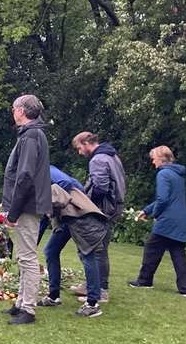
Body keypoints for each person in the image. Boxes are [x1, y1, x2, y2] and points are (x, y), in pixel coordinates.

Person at [1, 94, 51, 325]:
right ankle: (21, 303)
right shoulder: (30, 135)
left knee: (28, 257)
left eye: (14, 108)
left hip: (27, 206)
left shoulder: (31, 136)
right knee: (22, 256)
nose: (13, 112)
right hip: (27, 205)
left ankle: (28, 309)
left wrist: (13, 211)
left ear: (22, 111)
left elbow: (25, 175)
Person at [127, 146, 186, 297]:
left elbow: (162, 199)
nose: (152, 162)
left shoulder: (163, 174)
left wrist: (154, 214)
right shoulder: (177, 175)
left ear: (161, 159)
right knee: (178, 253)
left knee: (151, 248)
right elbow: (167, 199)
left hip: (167, 221)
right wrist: (146, 210)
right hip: (180, 220)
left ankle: (144, 281)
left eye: (153, 158)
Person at [70, 132, 126, 303]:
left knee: (97, 249)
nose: (80, 152)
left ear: (87, 143)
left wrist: (87, 204)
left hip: (103, 209)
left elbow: (100, 187)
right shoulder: (112, 156)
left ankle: (101, 290)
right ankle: (90, 285)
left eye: (80, 148)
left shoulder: (98, 159)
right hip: (114, 207)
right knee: (99, 248)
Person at [44, 180, 108, 317]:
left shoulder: (48, 172)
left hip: (82, 217)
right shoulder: (43, 176)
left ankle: (92, 304)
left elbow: (68, 184)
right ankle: (53, 296)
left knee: (87, 255)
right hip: (66, 218)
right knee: (51, 251)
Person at [38, 165, 84, 245]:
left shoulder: (46, 170)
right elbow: (43, 220)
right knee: (51, 251)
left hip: (76, 208)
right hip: (69, 210)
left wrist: (54, 202)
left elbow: (66, 182)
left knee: (51, 251)